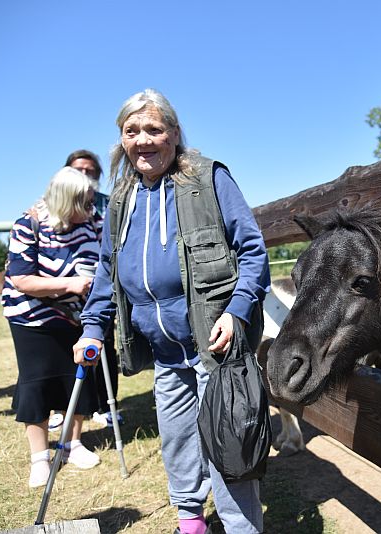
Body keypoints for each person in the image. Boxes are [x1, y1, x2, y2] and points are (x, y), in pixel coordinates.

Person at [73, 89, 270, 534]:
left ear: (175, 135)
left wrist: (237, 311)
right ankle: (191, 522)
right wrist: (90, 329)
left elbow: (253, 250)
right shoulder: (120, 199)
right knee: (178, 442)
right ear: (122, 140)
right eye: (132, 131)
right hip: (165, 352)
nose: (143, 140)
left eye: (154, 129)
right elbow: (107, 272)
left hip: (213, 344)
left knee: (228, 446)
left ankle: (242, 529)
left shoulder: (207, 179)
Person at [2, 167, 102, 488]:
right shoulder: (28, 224)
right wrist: (71, 284)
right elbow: (21, 278)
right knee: (38, 383)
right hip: (33, 318)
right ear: (64, 201)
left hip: (79, 316)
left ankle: (73, 444)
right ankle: (40, 458)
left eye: (91, 203)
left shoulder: (91, 221)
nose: (90, 210)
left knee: (79, 379)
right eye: (84, 204)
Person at [64, 149, 122, 429]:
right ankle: (71, 407)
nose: (84, 175)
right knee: (71, 347)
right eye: (79, 169)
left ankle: (105, 405)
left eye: (90, 171)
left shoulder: (108, 204)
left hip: (99, 283)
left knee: (105, 346)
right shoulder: (54, 201)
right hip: (66, 290)